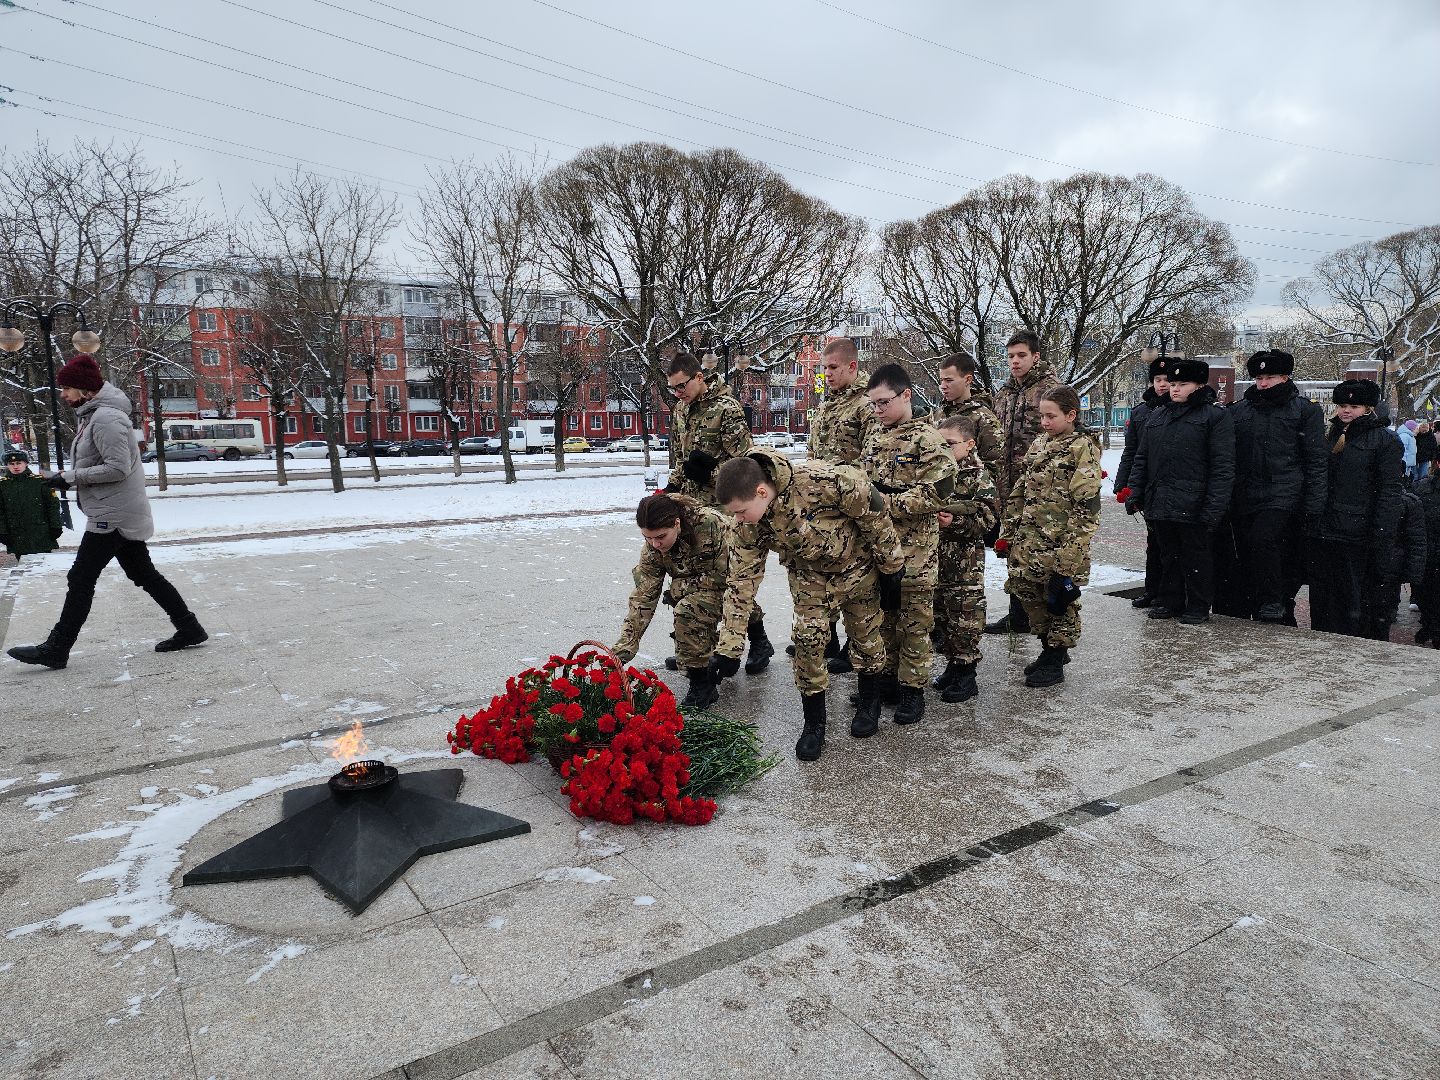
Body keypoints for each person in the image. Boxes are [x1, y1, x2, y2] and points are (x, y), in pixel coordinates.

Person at [7, 355, 207, 670]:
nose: (62, 394)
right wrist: (66, 476)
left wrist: (70, 478)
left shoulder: (106, 419)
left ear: (85, 390)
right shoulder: (93, 416)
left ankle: (57, 647)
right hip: (116, 509)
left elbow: (117, 467)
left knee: (81, 577)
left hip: (113, 514)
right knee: (144, 574)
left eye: (67, 388)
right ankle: (189, 627)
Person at [712, 450, 904, 761]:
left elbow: (874, 515)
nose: (738, 519)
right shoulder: (747, 524)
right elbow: (741, 581)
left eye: (741, 511)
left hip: (857, 569)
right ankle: (814, 724)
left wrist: (892, 567)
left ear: (761, 492)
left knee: (866, 638)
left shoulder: (827, 481)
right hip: (808, 576)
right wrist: (730, 644)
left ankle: (870, 702)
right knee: (807, 641)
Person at [663, 352, 774, 675]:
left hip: (723, 511)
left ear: (699, 377)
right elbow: (681, 461)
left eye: (682, 386)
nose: (678, 393)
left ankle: (759, 639)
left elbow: (745, 466)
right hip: (690, 510)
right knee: (692, 579)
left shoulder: (727, 410)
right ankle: (698, 646)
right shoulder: (681, 410)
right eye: (673, 388)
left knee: (727, 577)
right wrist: (668, 494)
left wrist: (710, 474)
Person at [861, 363, 958, 724]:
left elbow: (942, 489)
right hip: (879, 549)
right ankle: (886, 680)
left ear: (905, 396)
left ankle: (912, 691)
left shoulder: (927, 439)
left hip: (914, 551)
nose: (877, 410)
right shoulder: (873, 436)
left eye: (883, 403)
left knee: (914, 623)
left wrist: (891, 502)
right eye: (872, 404)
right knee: (882, 618)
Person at [998, 386, 1102, 687]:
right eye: (1041, 415)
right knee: (1029, 595)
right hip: (1031, 541)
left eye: (1050, 416)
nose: (1044, 422)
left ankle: (1056, 658)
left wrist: (1068, 562)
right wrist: (1008, 533)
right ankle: (1049, 648)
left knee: (1059, 601)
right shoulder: (1042, 442)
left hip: (1062, 545)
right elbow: (1021, 489)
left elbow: (1086, 510)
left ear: (1071, 415)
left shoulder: (1083, 447)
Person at [1124, 358, 1235, 625]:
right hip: (1161, 499)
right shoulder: (1158, 415)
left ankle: (1197, 604)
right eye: (1172, 384)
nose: (1174, 389)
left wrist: (1213, 507)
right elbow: (1142, 458)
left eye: (1182, 384)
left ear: (1198, 385)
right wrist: (1135, 492)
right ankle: (1170, 599)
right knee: (1168, 554)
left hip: (1194, 501)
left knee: (1196, 555)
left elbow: (1222, 466)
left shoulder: (1215, 417)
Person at [1225, 350, 1328, 624]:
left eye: (1270, 377)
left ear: (1285, 377)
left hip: (1284, 491)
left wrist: (1314, 504)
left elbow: (1316, 461)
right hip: (1246, 493)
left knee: (1264, 539)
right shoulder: (1239, 411)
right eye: (1259, 377)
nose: (1263, 383)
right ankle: (1262, 602)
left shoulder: (1305, 411)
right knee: (1248, 549)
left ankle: (1274, 599)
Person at [611, 493, 730, 708]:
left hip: (730, 585)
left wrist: (679, 588)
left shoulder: (712, 525)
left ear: (677, 524)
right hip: (698, 587)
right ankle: (694, 655)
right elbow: (643, 597)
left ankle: (702, 683)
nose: (654, 544)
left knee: (687, 609)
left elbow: (731, 577)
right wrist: (623, 649)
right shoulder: (652, 548)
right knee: (687, 602)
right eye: (647, 537)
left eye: (660, 537)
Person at [1307, 379, 1404, 638]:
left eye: (1354, 406)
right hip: (1327, 527)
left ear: (1368, 408)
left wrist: (1382, 529)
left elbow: (1389, 490)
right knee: (1324, 591)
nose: (1346, 411)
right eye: (1342, 405)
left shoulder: (1385, 440)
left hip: (1357, 530)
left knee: (1353, 594)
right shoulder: (1332, 435)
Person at [803, 337, 874, 672]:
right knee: (824, 571)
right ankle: (827, 638)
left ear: (852, 366)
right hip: (822, 510)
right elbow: (815, 453)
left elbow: (870, 459)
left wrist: (839, 487)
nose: (827, 374)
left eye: (832, 368)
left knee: (854, 581)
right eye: (823, 368)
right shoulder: (827, 403)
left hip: (851, 506)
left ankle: (853, 647)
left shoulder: (866, 404)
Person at [986, 330, 1059, 634]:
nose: (1014, 362)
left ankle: (1049, 621)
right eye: (1010, 356)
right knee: (1011, 551)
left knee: (1040, 554)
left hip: (1040, 488)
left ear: (1036, 356)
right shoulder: (1004, 393)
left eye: (1021, 356)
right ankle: (1019, 615)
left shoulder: (1051, 391)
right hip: (1008, 488)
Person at [932, 415, 999, 703]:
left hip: (965, 563)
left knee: (965, 616)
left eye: (949, 444)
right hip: (937, 560)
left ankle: (967, 673)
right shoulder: (938, 471)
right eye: (939, 444)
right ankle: (951, 665)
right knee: (942, 615)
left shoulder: (978, 476)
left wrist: (954, 523)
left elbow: (987, 518)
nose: (944, 449)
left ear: (970, 444)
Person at [1112, 357, 1170, 609]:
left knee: (1168, 543)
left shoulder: (1179, 409)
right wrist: (1123, 484)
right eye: (1158, 380)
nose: (1162, 385)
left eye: (1167, 380)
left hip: (1169, 484)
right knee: (1153, 542)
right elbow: (1132, 451)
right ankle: (1152, 589)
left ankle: (1168, 594)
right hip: (1146, 484)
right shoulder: (1141, 412)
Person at [1373, 487, 1426, 642]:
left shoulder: (1408, 502)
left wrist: (1414, 577)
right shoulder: (1409, 501)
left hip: (1389, 568)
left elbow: (1416, 541)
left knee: (1382, 614)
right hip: (1386, 566)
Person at [0, 449, 63, 561]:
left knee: (44, 568)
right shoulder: (3, 485)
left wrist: (56, 526)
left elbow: (52, 505)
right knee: (26, 570)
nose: (15, 466)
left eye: (19, 463)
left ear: (26, 464)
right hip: (17, 534)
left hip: (41, 533)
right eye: (11, 464)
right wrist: (2, 532)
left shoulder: (40, 482)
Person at [1411, 465, 1440, 646]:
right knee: (1425, 594)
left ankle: (1433, 627)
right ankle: (1431, 625)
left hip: (1427, 552)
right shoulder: (1421, 488)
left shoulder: (1421, 488)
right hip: (1427, 553)